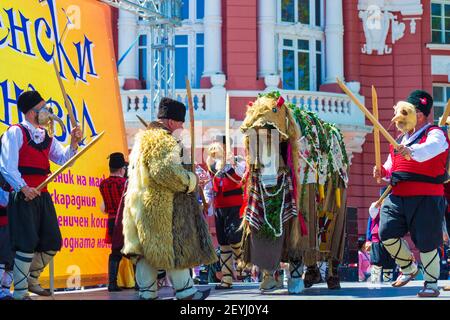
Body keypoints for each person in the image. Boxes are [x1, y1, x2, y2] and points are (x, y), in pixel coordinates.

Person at [122, 97, 217, 300]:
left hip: (144, 204)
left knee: (149, 251)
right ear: (172, 122)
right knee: (172, 248)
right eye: (181, 123)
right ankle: (186, 292)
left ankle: (147, 293)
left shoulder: (144, 139)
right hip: (161, 206)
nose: (182, 127)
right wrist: (190, 181)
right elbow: (165, 171)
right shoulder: (163, 140)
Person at [0, 90, 82, 300]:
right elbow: (7, 167)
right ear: (31, 112)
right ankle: (19, 293)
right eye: (43, 108)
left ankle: (29, 277)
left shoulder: (46, 136)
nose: (47, 112)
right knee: (25, 245)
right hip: (23, 196)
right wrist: (23, 188)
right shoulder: (15, 132)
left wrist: (73, 143)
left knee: (52, 242)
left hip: (42, 196)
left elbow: (64, 160)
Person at [374, 91, 449, 297]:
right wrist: (383, 172)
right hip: (398, 196)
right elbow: (392, 167)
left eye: (411, 111)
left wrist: (411, 151)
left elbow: (431, 149)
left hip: (427, 196)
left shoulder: (435, 133)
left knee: (427, 241)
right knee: (386, 232)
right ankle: (408, 267)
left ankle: (431, 284)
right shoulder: (399, 139)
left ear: (420, 114)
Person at [204, 136, 246, 289]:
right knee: (223, 243)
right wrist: (207, 202)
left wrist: (232, 165)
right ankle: (226, 279)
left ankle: (242, 259)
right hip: (219, 208)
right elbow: (209, 188)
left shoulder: (237, 161)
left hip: (235, 206)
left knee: (234, 236)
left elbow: (243, 176)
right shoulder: (212, 167)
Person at [99, 152, 127, 292]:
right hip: (125, 221)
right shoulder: (126, 184)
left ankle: (112, 283)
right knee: (135, 252)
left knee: (115, 252)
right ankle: (142, 284)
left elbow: (103, 208)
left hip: (111, 221)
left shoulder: (103, 184)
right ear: (122, 168)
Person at [0, 189, 13, 300]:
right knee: (2, 259)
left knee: (11, 261)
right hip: (2, 225)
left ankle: (5, 290)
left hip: (12, 227)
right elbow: (4, 202)